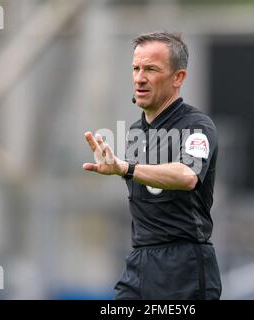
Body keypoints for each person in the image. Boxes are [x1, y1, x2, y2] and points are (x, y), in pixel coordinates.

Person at [83, 31, 221, 300]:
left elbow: (187, 175)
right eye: (136, 68)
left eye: (151, 69)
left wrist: (126, 168)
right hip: (140, 265)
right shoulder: (136, 132)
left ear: (178, 77)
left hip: (184, 268)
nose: (139, 78)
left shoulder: (197, 126)